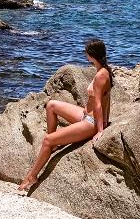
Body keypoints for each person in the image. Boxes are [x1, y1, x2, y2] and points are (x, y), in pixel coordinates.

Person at [18, 38, 114, 191]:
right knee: (51, 105)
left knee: (47, 140)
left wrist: (100, 130)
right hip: (85, 116)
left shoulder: (102, 75)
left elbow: (98, 104)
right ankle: (55, 144)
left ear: (91, 54)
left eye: (86, 52)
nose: (85, 54)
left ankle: (32, 175)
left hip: (91, 122)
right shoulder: (101, 70)